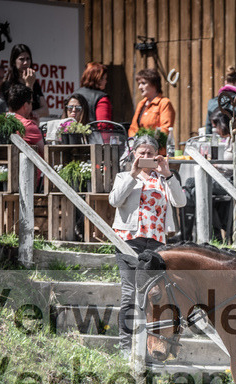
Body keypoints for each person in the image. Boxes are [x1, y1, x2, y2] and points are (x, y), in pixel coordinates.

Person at [108, 135, 186, 357]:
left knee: (153, 295)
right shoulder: (124, 176)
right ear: (134, 154)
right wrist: (133, 174)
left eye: (150, 153)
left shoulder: (163, 179)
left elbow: (180, 202)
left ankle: (147, 346)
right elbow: (114, 201)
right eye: (141, 153)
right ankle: (125, 347)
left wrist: (168, 173)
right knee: (129, 293)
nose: (145, 157)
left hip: (156, 243)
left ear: (157, 155)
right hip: (128, 241)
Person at [128, 68, 175, 140]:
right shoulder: (141, 104)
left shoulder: (164, 103)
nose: (140, 87)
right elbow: (133, 128)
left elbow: (165, 130)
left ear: (154, 85)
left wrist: (149, 141)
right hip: (140, 147)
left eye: (143, 83)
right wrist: (134, 141)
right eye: (139, 84)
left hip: (156, 149)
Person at [3, 43, 48, 119]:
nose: (25, 63)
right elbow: (23, 111)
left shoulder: (34, 82)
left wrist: (34, 113)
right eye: (21, 59)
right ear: (14, 62)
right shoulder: (8, 83)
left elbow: (45, 110)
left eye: (28, 59)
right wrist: (29, 85)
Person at [205, 66, 236, 132]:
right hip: (235, 139)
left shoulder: (212, 101)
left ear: (225, 82)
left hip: (218, 140)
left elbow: (208, 128)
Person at [7, 83, 43, 154]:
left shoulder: (2, 120)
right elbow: (45, 153)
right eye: (31, 103)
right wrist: (35, 128)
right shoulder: (28, 125)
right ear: (26, 105)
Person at [76, 62, 112, 127]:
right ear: (98, 79)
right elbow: (103, 126)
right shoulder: (102, 98)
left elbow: (65, 122)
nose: (106, 82)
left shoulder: (74, 94)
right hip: (93, 136)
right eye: (105, 78)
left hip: (72, 136)